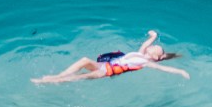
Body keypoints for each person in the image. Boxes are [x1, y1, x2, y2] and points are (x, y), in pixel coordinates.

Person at [31, 30, 190, 83]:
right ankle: (58, 76)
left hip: (105, 72)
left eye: (156, 48)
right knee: (84, 60)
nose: (154, 46)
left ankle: (47, 81)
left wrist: (181, 72)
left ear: (155, 57)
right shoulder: (142, 52)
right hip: (103, 65)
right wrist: (153, 36)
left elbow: (164, 68)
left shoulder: (146, 62)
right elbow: (146, 43)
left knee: (80, 77)